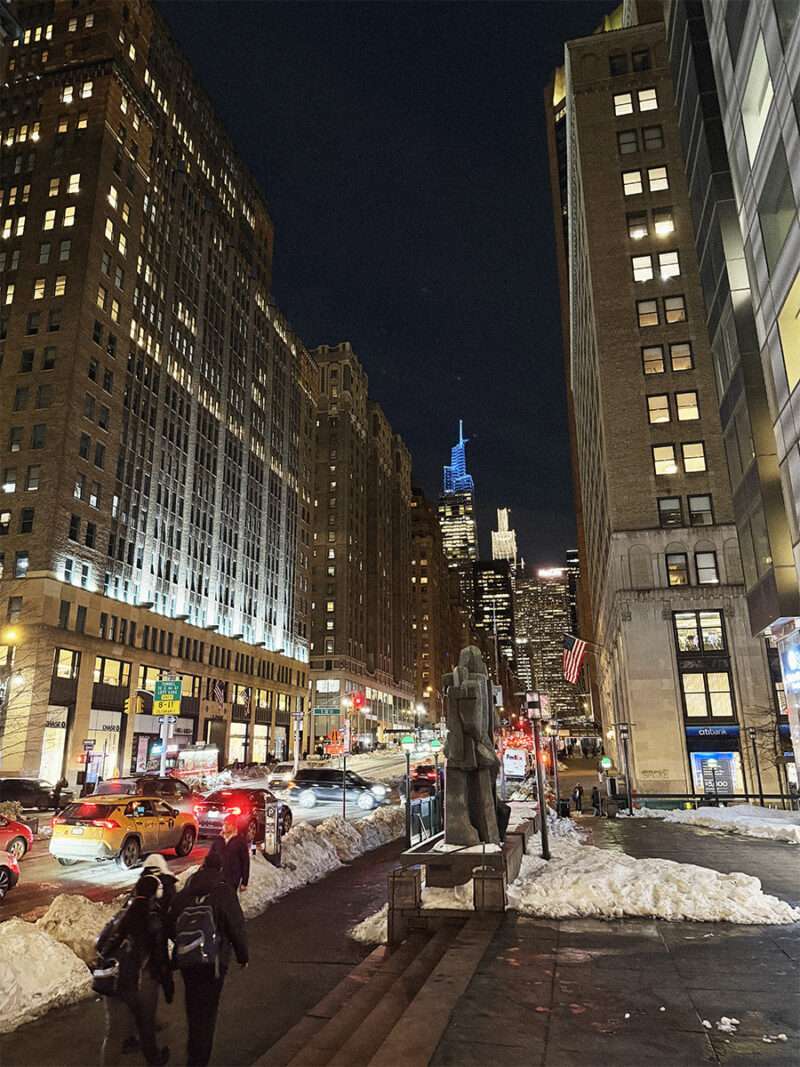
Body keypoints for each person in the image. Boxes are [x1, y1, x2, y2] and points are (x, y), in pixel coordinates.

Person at [167, 851, 248, 1067]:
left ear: (203, 866)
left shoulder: (186, 891)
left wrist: (184, 942)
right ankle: (199, 1060)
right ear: (220, 868)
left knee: (193, 1007)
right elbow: (235, 925)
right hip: (214, 962)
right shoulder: (224, 891)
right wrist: (242, 955)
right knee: (208, 1011)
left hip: (188, 960)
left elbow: (170, 922)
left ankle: (193, 1052)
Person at [98, 873, 173, 1067]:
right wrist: (167, 985)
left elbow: (101, 944)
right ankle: (154, 1060)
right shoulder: (153, 918)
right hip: (141, 981)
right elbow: (160, 956)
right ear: (155, 895)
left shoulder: (122, 914)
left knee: (113, 1033)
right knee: (145, 1025)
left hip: (113, 977)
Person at [209, 815, 250, 892]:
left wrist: (244, 882)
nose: (226, 826)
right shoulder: (218, 840)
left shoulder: (240, 841)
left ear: (234, 826)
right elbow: (210, 857)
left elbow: (245, 862)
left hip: (233, 879)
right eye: (224, 824)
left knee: (229, 897)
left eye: (229, 824)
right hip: (217, 877)